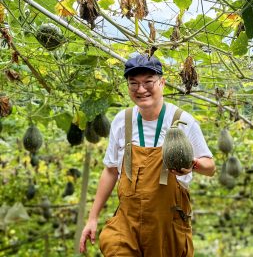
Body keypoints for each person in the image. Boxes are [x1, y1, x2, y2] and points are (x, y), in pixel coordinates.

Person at [79, 53, 215, 256]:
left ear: (162, 83)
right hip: (127, 223)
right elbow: (110, 171)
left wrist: (192, 164)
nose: (141, 89)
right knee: (112, 246)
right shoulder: (121, 120)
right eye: (133, 83)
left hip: (166, 226)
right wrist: (92, 218)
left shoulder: (182, 120)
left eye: (148, 82)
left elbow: (210, 167)